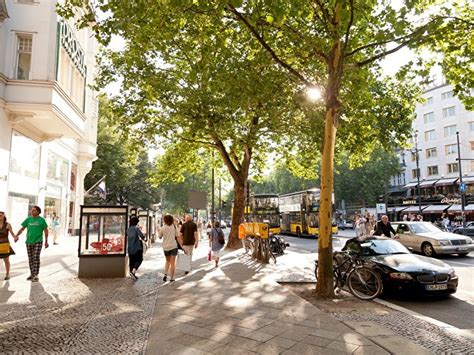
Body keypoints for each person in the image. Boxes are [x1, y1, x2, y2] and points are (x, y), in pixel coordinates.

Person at [15, 206, 49, 282]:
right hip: (28, 242)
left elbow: (46, 231)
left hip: (38, 241)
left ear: (38, 212)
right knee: (31, 259)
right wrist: (16, 235)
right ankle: (32, 274)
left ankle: (36, 275)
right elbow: (22, 229)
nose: (31, 211)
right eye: (31, 210)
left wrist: (46, 241)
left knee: (36, 257)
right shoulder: (28, 219)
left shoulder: (42, 220)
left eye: (34, 210)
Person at [158, 214, 179, 282]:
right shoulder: (174, 227)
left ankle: (166, 274)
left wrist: (159, 231)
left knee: (167, 261)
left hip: (166, 247)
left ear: (165, 220)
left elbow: (160, 237)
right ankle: (172, 278)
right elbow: (177, 236)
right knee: (172, 263)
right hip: (173, 246)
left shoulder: (163, 227)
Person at [127, 216, 146, 280]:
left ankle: (132, 274)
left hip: (130, 248)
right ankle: (133, 272)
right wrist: (144, 237)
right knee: (139, 260)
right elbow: (142, 236)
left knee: (132, 261)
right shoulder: (136, 228)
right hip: (137, 248)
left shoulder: (128, 229)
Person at [0, 212, 16, 280]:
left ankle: (7, 274)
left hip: (5, 244)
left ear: (4, 216)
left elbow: (12, 233)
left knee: (6, 260)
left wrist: (15, 237)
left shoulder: (7, 225)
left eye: (1, 215)